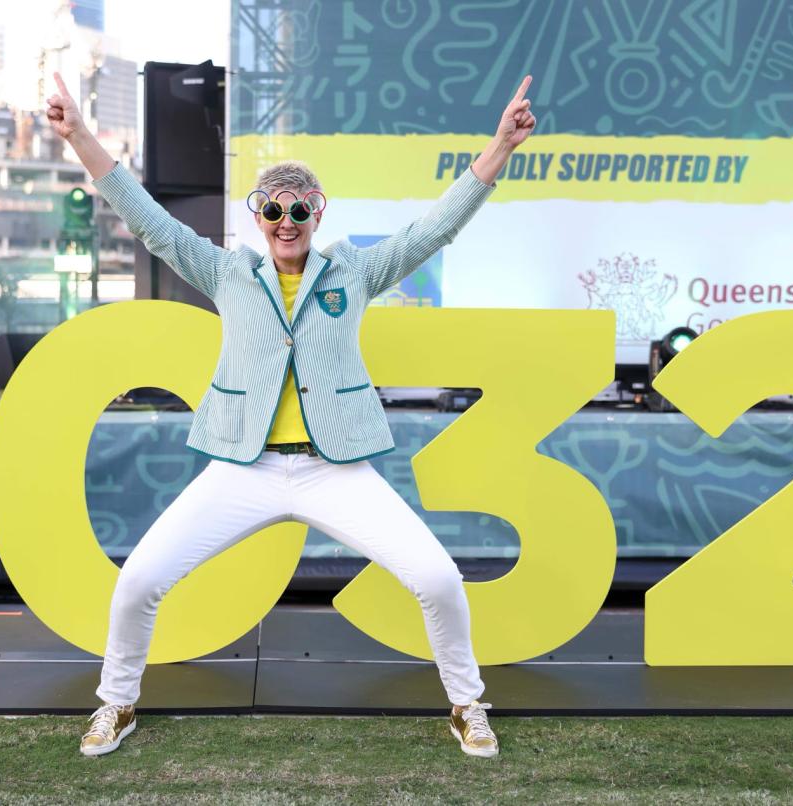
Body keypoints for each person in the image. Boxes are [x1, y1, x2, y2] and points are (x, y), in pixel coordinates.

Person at [47, 70, 536, 759]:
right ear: (257, 217)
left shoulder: (356, 273)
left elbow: (434, 230)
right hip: (243, 467)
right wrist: (79, 137)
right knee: (139, 581)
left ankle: (467, 705)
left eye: (299, 211)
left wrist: (499, 149)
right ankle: (117, 704)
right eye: (272, 211)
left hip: (335, 468)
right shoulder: (225, 272)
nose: (285, 224)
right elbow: (148, 220)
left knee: (438, 579)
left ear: (318, 213)